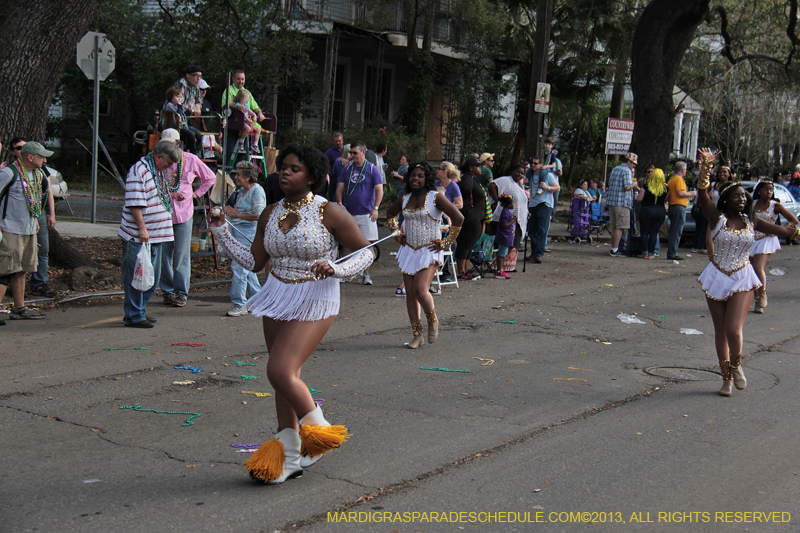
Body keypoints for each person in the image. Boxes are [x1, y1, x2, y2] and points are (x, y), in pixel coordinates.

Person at [208, 143, 373, 484]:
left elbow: (368, 253)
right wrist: (222, 229)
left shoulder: (330, 212)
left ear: (312, 176)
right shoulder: (269, 213)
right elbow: (254, 262)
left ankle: (318, 430)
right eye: (283, 166)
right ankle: (289, 454)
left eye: (294, 168)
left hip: (316, 295)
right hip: (277, 294)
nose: (285, 172)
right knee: (283, 377)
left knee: (280, 369)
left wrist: (338, 269)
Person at [695, 148, 800, 396]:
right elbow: (702, 195)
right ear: (726, 200)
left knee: (733, 329)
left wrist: (795, 230)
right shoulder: (716, 219)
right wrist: (707, 167)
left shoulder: (752, 222)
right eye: (737, 197)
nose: (742, 199)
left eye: (744, 197)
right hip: (717, 275)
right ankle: (726, 378)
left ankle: (737, 365)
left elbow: (785, 231)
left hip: (743, 275)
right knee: (720, 331)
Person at [386, 162, 463, 348]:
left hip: (430, 250)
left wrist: (446, 243)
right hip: (409, 250)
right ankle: (417, 335)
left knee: (421, 289)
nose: (415, 178)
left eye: (420, 176)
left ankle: (432, 320)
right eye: (413, 175)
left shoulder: (435, 197)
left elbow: (459, 218)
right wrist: (398, 234)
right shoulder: (405, 198)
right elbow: (390, 214)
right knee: (410, 294)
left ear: (426, 178)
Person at [118, 141, 180, 328]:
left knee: (151, 277)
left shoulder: (158, 172)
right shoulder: (140, 170)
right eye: (168, 162)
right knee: (138, 277)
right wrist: (142, 228)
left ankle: (140, 310)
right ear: (158, 157)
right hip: (139, 236)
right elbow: (135, 203)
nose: (170, 167)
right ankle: (134, 314)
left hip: (157, 235)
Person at [158, 129, 216, 308]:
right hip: (163, 212)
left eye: (170, 145)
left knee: (182, 254)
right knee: (163, 254)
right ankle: (167, 291)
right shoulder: (159, 160)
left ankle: (181, 293)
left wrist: (194, 193)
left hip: (184, 213)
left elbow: (210, 177)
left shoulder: (190, 159)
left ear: (177, 144)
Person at [0, 141, 50, 320]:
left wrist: (35, 217)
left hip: (28, 229)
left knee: (21, 269)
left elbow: (37, 197)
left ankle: (19, 308)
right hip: (10, 229)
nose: (44, 160)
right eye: (41, 156)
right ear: (30, 157)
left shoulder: (38, 175)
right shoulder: (8, 173)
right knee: (5, 270)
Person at [11, 138, 57, 298]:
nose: (45, 160)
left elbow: (45, 192)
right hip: (14, 223)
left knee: (40, 250)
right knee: (15, 258)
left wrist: (49, 214)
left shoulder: (40, 172)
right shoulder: (10, 172)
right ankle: (11, 287)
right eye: (18, 148)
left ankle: (38, 284)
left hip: (35, 216)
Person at [335, 140, 383, 286]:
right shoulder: (347, 169)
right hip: (349, 213)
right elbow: (339, 189)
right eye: (351, 153)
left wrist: (376, 208)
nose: (352, 155)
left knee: (366, 244)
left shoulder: (372, 169)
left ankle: (366, 274)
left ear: (363, 152)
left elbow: (379, 190)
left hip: (366, 213)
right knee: (346, 243)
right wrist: (339, 202)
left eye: (355, 153)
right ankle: (345, 272)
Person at [223, 161, 266, 317]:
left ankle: (239, 303)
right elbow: (238, 211)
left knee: (239, 266)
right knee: (247, 268)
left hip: (249, 232)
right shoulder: (241, 191)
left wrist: (237, 214)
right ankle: (258, 299)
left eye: (239, 175)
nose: (235, 177)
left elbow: (259, 216)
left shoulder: (257, 191)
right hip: (238, 230)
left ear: (248, 177)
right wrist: (231, 211)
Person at [749, 179, 798, 313]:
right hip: (752, 239)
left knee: (758, 267)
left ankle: (762, 295)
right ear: (759, 191)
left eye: (771, 190)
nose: (769, 192)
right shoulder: (751, 204)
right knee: (751, 270)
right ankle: (756, 300)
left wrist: (782, 230)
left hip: (767, 240)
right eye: (766, 189)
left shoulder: (775, 206)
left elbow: (794, 220)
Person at [488, 164, 528, 270]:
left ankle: (509, 266)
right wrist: (497, 201)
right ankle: (499, 266)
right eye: (518, 172)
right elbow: (491, 185)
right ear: (512, 171)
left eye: (522, 173)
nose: (520, 175)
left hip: (518, 218)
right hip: (505, 217)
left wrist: (526, 211)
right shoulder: (506, 180)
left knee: (513, 241)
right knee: (503, 243)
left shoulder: (519, 185)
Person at [455, 158, 486, 280]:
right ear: (470, 167)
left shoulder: (473, 179)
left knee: (469, 244)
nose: (480, 168)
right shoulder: (468, 178)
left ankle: (465, 270)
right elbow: (464, 188)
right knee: (464, 244)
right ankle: (460, 272)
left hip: (476, 217)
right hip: (469, 217)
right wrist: (469, 198)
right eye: (478, 166)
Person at [526, 157, 559, 263]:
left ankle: (539, 253)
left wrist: (547, 187)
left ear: (541, 164)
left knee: (541, 229)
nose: (533, 165)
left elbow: (558, 188)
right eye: (532, 163)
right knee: (532, 230)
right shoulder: (530, 174)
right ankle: (534, 253)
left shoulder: (547, 175)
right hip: (533, 204)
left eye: (536, 163)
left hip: (544, 204)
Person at [606, 152, 640, 257]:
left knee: (614, 226)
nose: (634, 166)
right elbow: (627, 187)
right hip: (622, 202)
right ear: (629, 161)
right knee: (620, 227)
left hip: (612, 201)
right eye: (634, 163)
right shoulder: (626, 171)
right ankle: (615, 250)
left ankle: (613, 248)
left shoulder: (615, 169)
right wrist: (634, 184)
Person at [666, 161, 696, 260]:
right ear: (682, 170)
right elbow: (680, 193)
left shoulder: (671, 179)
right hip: (678, 206)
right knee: (677, 231)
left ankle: (672, 251)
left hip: (672, 206)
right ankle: (672, 252)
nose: (686, 171)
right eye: (686, 169)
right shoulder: (679, 179)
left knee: (674, 230)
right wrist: (691, 193)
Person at [639, 168, 668, 259]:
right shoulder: (666, 188)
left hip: (647, 210)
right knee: (654, 232)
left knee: (644, 232)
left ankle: (645, 252)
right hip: (660, 210)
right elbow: (666, 200)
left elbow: (639, 199)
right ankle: (651, 253)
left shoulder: (646, 186)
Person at [163, 86, 203, 154]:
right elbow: (178, 114)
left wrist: (189, 107)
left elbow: (185, 114)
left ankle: (198, 150)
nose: (179, 99)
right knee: (191, 134)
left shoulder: (178, 106)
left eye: (181, 97)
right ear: (171, 96)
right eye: (177, 96)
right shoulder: (170, 105)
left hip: (184, 125)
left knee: (198, 133)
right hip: (177, 126)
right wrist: (180, 106)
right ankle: (191, 150)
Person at [232, 89, 262, 153]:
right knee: (248, 129)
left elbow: (250, 111)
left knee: (258, 129)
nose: (249, 99)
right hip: (242, 122)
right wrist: (248, 119)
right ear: (243, 98)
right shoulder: (238, 105)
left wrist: (254, 115)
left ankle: (255, 144)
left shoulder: (246, 105)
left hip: (248, 122)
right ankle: (241, 141)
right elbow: (242, 113)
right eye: (248, 98)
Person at [493, 194, 516, 279]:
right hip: (504, 237)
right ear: (509, 204)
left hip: (508, 237)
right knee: (501, 254)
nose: (514, 204)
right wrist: (513, 220)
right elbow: (504, 225)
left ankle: (501, 269)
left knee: (504, 254)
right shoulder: (505, 213)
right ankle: (499, 270)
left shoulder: (508, 212)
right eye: (513, 203)